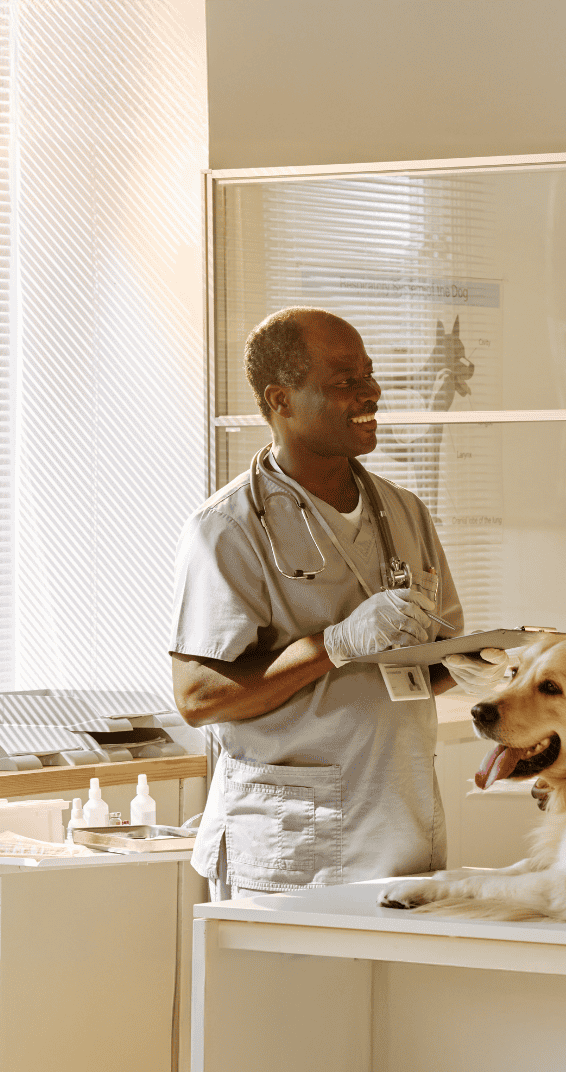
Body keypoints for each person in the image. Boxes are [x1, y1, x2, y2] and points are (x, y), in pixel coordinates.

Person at [171, 307, 476, 898]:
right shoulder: (227, 528)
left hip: (401, 826)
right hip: (293, 841)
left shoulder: (405, 510)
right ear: (281, 400)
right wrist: (333, 645)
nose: (372, 392)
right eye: (345, 381)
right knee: (289, 994)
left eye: (369, 374)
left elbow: (435, 660)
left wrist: (488, 665)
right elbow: (197, 698)